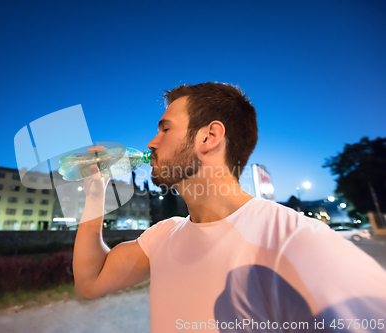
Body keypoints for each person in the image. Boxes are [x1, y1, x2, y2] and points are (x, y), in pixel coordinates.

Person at [73, 82, 386, 332]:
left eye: (165, 129)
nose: (151, 143)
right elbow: (91, 281)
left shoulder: (294, 239)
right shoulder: (161, 237)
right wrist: (95, 192)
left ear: (209, 136)